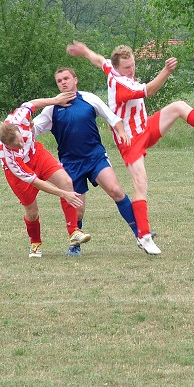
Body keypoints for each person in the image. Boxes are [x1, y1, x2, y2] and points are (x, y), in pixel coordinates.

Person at [66, 41, 194, 255]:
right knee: (140, 183)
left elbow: (99, 60)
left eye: (133, 65)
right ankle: (144, 236)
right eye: (128, 68)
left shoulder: (112, 67)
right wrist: (166, 70)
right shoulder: (122, 84)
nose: (132, 70)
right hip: (130, 140)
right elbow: (151, 89)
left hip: (145, 127)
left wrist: (84, 51)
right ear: (119, 69)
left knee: (179, 106)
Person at [33, 67, 143, 256]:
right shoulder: (52, 108)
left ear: (75, 79)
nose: (63, 82)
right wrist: (19, 129)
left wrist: (122, 131)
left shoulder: (89, 98)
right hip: (71, 164)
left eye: (66, 78)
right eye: (59, 81)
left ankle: (141, 235)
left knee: (116, 190)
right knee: (78, 210)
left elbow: (112, 117)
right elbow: (33, 129)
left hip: (95, 157)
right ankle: (75, 245)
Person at [0, 93, 91, 258]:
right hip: (19, 172)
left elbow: (31, 103)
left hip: (36, 155)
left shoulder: (19, 118)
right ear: (6, 145)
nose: (21, 144)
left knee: (66, 182)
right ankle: (35, 243)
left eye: (20, 140)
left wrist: (55, 101)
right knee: (32, 212)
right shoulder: (8, 156)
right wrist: (63, 194)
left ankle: (73, 231)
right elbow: (36, 182)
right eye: (16, 145)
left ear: (18, 128)